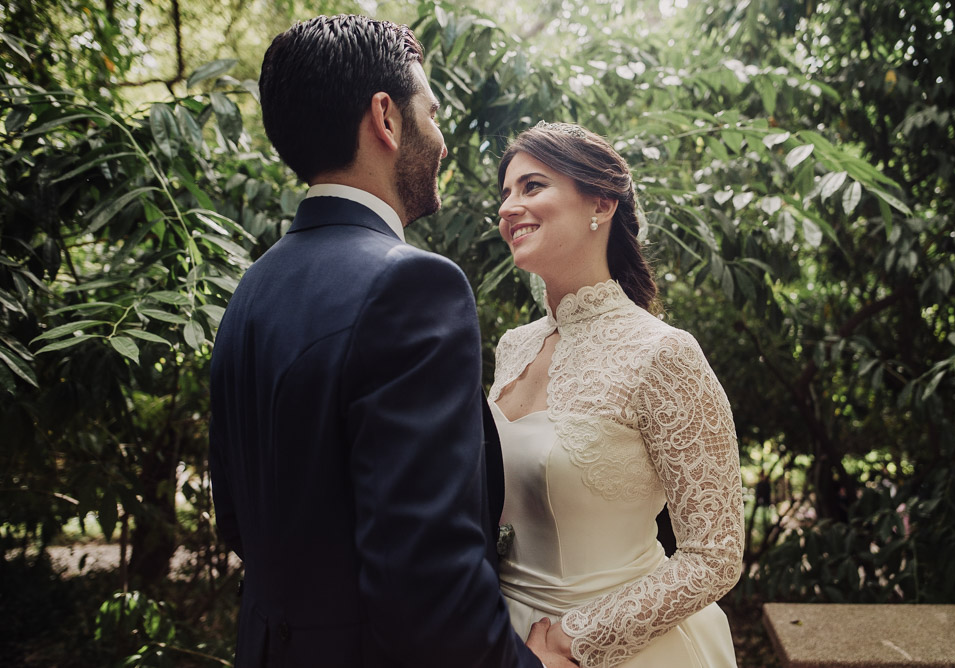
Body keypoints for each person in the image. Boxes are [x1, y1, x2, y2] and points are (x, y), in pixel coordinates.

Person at [209, 16, 571, 668]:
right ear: (386, 118)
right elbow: (428, 584)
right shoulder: (412, 286)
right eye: (431, 113)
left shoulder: (252, 290)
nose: (441, 140)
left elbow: (237, 519)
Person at [488, 121, 745, 667]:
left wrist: (574, 640)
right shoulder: (512, 347)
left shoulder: (663, 353)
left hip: (616, 647)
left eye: (532, 186)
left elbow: (715, 554)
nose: (508, 207)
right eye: (505, 193)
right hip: (498, 638)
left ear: (600, 204)